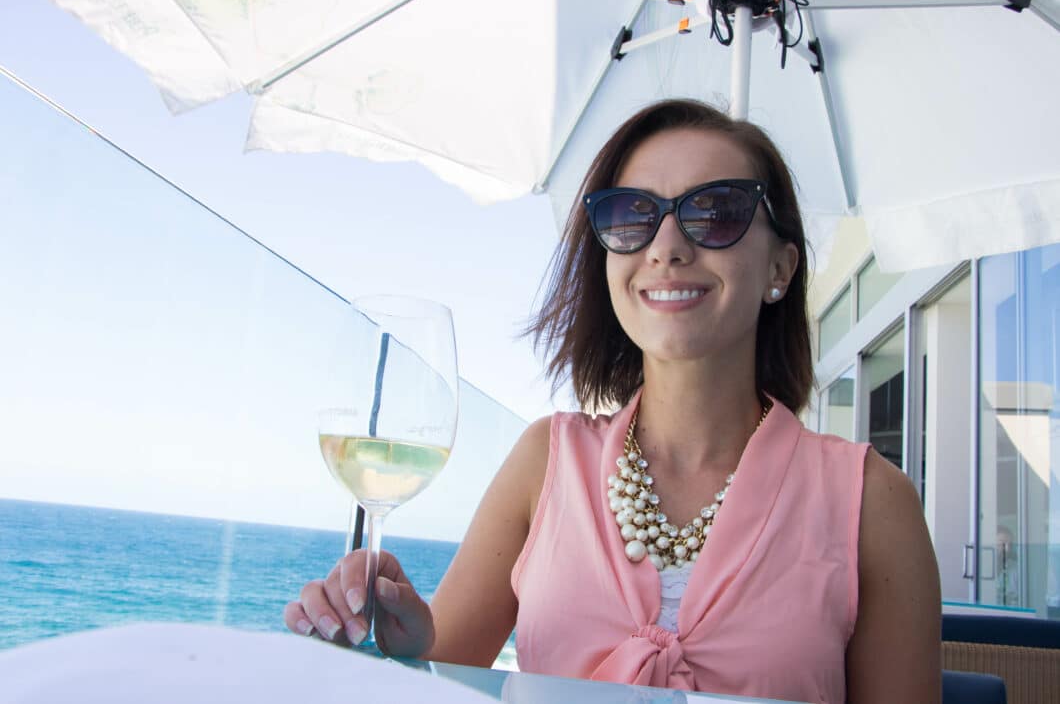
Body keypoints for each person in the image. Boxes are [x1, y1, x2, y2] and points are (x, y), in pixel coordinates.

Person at [284, 99, 941, 703]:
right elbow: (440, 668)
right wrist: (391, 633)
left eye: (716, 212)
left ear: (780, 268)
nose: (668, 246)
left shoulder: (872, 504)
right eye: (633, 214)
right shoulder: (545, 460)